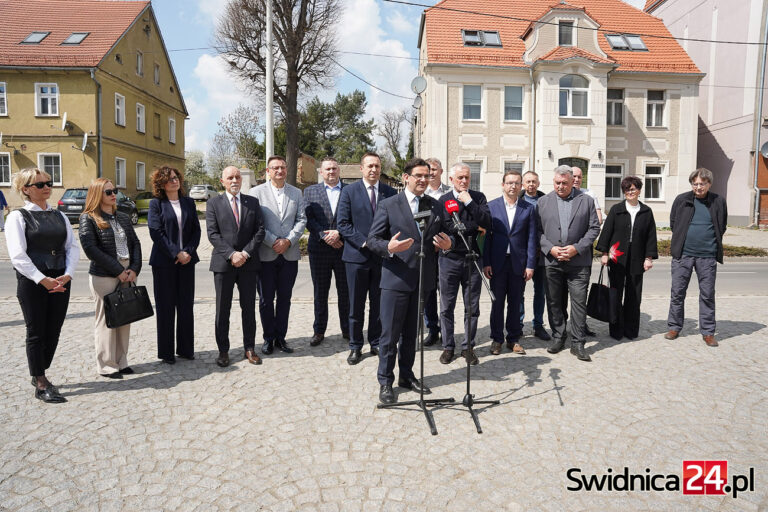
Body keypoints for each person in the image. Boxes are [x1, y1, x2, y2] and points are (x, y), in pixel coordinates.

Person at [367, 158, 453, 404]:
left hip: (422, 280)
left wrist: (450, 244)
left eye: (427, 176)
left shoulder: (435, 205)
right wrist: (389, 247)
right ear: (406, 177)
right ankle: (385, 381)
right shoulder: (389, 205)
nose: (423, 180)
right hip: (395, 279)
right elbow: (373, 240)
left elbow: (450, 234)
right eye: (418, 176)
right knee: (390, 335)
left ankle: (406, 375)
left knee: (411, 334)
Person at [5, 167, 78, 402]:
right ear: (25, 189)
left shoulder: (60, 216)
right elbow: (18, 255)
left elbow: (72, 247)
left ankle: (38, 369)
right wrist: (42, 279)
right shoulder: (18, 217)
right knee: (36, 332)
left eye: (49, 182)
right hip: (33, 281)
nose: (47, 187)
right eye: (40, 184)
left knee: (53, 329)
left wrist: (67, 274)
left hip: (60, 278)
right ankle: (40, 380)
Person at [337, 152, 397, 365]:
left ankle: (376, 342)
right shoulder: (349, 192)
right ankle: (355, 345)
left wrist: (383, 246)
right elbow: (343, 224)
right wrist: (365, 242)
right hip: (356, 257)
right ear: (361, 169)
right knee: (355, 304)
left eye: (377, 166)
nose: (374, 170)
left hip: (382, 258)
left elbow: (394, 223)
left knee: (379, 304)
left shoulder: (389, 192)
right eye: (370, 166)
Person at [79, 178, 142, 378]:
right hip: (105, 275)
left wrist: (134, 268)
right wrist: (118, 271)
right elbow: (91, 249)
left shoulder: (122, 217)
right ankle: (106, 365)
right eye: (108, 192)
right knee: (106, 320)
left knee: (125, 317)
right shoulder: (88, 218)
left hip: (128, 271)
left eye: (114, 190)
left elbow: (136, 244)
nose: (113, 194)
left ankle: (122, 362)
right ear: (97, 194)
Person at [537, 165, 600, 362]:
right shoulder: (543, 202)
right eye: (557, 183)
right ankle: (558, 336)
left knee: (579, 301)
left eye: (565, 183)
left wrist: (576, 248)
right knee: (554, 301)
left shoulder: (587, 201)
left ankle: (578, 342)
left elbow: (594, 228)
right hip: (552, 261)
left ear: (573, 182)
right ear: (553, 182)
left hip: (578, 261)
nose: (561, 186)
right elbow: (536, 231)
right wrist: (551, 249)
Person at [206, 166, 265, 367]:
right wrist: (232, 254)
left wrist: (245, 254)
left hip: (248, 264)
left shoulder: (252, 202)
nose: (234, 180)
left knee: (248, 308)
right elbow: (213, 234)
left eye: (237, 177)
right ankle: (223, 351)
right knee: (223, 309)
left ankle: (250, 348)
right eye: (230, 177)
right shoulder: (214, 203)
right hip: (224, 264)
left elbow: (259, 231)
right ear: (222, 181)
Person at [249, 155, 307, 355]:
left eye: (283, 167)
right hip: (266, 254)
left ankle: (281, 337)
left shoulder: (296, 193)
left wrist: (289, 241)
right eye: (275, 168)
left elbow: (301, 220)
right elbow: (255, 223)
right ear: (267, 171)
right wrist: (274, 241)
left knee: (285, 298)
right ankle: (268, 338)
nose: (280, 171)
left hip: (289, 255)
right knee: (265, 300)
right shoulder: (256, 193)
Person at [665, 168, 727, 347]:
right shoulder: (681, 200)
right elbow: (673, 223)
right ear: (691, 184)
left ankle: (708, 332)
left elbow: (721, 226)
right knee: (677, 293)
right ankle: (674, 327)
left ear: (709, 184)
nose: (698, 187)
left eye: (702, 183)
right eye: (695, 183)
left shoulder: (718, 201)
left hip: (707, 256)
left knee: (707, 295)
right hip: (682, 254)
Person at [437, 163, 491, 365]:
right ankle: (448, 346)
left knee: (472, 307)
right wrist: (474, 227)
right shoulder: (444, 200)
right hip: (449, 259)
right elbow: (448, 226)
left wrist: (469, 204)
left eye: (467, 177)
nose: (464, 181)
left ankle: (468, 347)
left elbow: (487, 222)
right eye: (460, 178)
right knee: (446, 306)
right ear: (451, 180)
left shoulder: (478, 198)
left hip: (473, 260)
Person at [147, 165, 201, 364]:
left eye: (176, 177)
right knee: (166, 307)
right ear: (161, 183)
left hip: (188, 261)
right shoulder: (156, 204)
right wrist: (175, 252)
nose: (174, 181)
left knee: (186, 306)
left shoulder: (188, 203)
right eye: (169, 179)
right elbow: (156, 232)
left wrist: (187, 251)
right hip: (164, 263)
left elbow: (196, 230)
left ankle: (186, 349)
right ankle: (167, 352)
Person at [596, 176, 658, 340]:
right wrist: (603, 254)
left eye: (633, 188)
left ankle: (630, 330)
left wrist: (649, 257)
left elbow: (651, 236)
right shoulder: (617, 209)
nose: (630, 192)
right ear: (623, 192)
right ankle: (616, 330)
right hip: (617, 256)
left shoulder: (646, 211)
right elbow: (607, 232)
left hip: (637, 257)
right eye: (627, 189)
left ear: (639, 190)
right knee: (616, 293)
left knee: (634, 295)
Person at [483, 169, 537, 356]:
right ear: (503, 185)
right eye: (509, 182)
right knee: (497, 304)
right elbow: (487, 238)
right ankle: (497, 339)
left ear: (521, 186)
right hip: (497, 264)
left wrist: (530, 265)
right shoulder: (492, 207)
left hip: (518, 264)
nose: (513, 186)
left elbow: (531, 239)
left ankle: (513, 339)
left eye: (516, 183)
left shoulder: (528, 208)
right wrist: (486, 262)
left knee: (515, 303)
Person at [303, 157, 349, 346]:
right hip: (319, 250)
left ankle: (347, 329)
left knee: (345, 292)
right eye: (327, 169)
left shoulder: (350, 191)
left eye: (334, 169)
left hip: (344, 249)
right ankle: (319, 330)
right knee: (320, 292)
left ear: (339, 171)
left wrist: (340, 235)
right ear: (321, 172)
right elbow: (307, 218)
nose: (331, 172)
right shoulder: (310, 191)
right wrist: (325, 236)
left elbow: (354, 218)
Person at [422, 157, 451, 346]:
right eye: (428, 170)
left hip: (447, 250)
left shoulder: (450, 192)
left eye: (434, 169)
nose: (431, 173)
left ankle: (447, 331)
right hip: (426, 251)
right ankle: (432, 329)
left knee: (446, 293)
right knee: (428, 292)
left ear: (441, 171)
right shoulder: (419, 192)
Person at [519, 171, 550, 341]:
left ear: (538, 183)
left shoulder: (546, 200)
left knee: (541, 291)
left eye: (534, 181)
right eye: (528, 181)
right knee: (519, 291)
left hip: (542, 253)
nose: (531, 184)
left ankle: (538, 324)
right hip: (523, 253)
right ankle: (518, 324)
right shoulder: (518, 199)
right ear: (523, 184)